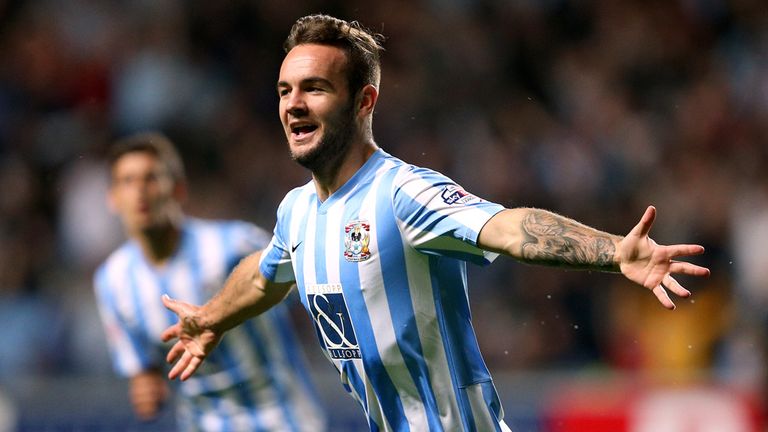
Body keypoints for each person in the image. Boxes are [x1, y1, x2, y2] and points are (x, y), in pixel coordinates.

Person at [160, 15, 710, 432]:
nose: (294, 105)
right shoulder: (296, 212)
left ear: (363, 101)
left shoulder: (402, 193)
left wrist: (614, 251)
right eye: (285, 90)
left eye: (315, 88)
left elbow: (510, 228)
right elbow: (265, 274)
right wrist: (211, 318)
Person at [93, 132, 327, 432]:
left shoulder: (236, 244)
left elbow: (312, 284)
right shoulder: (112, 281)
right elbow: (142, 371)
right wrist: (146, 389)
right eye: (127, 180)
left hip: (283, 420)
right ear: (112, 198)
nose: (140, 191)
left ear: (178, 189)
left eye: (151, 178)